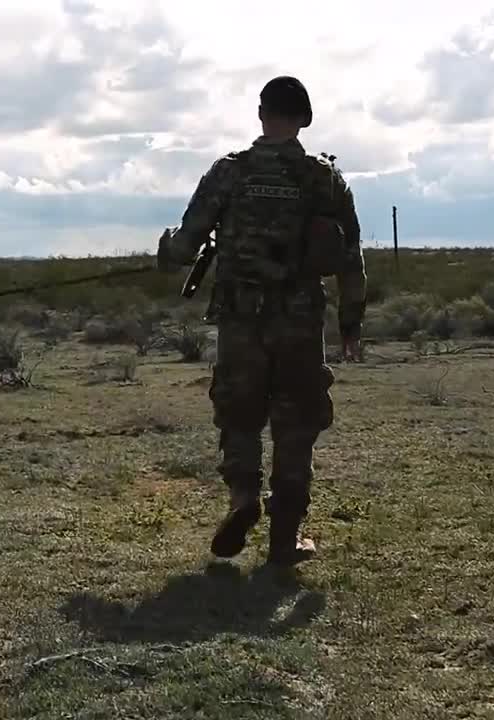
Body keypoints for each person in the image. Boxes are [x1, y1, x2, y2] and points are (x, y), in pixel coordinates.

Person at [157, 75, 366, 565]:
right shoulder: (324, 179)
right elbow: (351, 260)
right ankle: (285, 538)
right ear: (305, 119)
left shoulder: (229, 172)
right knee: (296, 422)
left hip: (240, 318)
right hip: (300, 320)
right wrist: (351, 324)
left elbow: (185, 246)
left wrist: (166, 247)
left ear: (260, 114)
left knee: (239, 412)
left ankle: (244, 499)